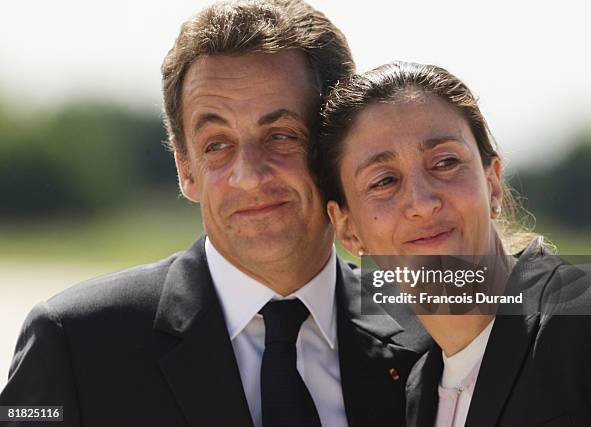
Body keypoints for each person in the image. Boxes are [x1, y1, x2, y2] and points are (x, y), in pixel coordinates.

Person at [0, 4, 429, 427]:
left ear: (339, 148)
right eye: (217, 144)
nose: (249, 176)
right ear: (186, 169)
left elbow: (492, 285)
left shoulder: (429, 312)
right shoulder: (73, 339)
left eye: (280, 136)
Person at [311, 61, 591, 426]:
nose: (422, 203)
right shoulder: (416, 392)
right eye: (385, 181)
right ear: (347, 228)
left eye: (445, 162)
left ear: (493, 182)